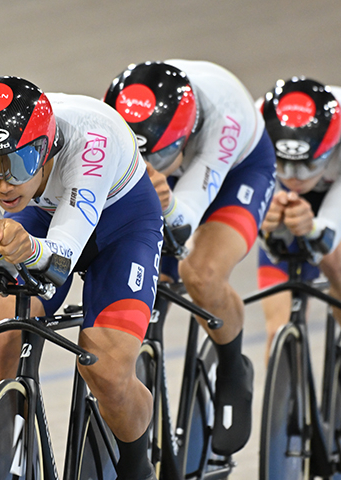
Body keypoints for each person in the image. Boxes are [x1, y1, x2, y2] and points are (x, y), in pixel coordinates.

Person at [0, 76, 164, 480]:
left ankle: (137, 465)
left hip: (120, 221)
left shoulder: (92, 140)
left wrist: (27, 249)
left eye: (17, 165)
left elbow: (60, 260)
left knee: (106, 370)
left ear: (47, 147)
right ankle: (5, 464)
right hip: (39, 214)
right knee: (4, 331)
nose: (2, 184)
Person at [103, 60, 277, 456]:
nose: (154, 162)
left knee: (201, 273)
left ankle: (233, 368)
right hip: (159, 174)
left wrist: (165, 201)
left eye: (161, 153)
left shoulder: (224, 117)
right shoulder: (110, 113)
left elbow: (185, 220)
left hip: (236, 170)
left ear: (188, 132)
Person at [256, 77, 341, 440]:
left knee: (340, 257)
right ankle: (284, 407)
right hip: (289, 199)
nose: (294, 177)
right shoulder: (256, 127)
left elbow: (330, 230)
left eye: (305, 165)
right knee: (276, 324)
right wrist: (266, 224)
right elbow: (244, 204)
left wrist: (313, 228)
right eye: (284, 164)